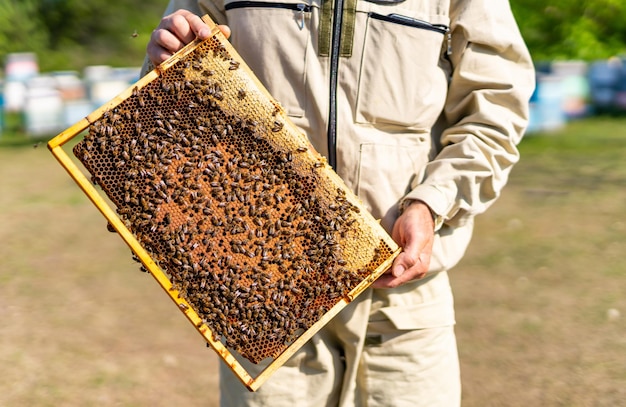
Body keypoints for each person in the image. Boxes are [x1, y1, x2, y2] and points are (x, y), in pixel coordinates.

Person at [143, 1, 535, 405]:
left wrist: (432, 203)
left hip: (401, 305)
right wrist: (170, 51)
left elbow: (494, 111)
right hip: (267, 302)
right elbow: (168, 101)